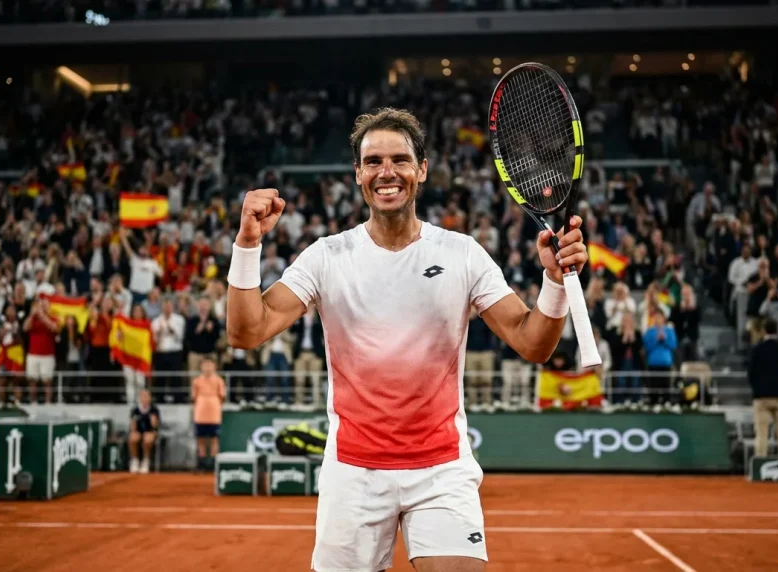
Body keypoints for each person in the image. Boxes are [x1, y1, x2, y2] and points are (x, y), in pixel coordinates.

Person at [226, 108, 589, 572]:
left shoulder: (462, 254)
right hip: (353, 472)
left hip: (441, 468)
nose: (386, 172)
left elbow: (532, 343)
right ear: (358, 174)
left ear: (421, 169)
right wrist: (247, 244)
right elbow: (246, 332)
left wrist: (555, 282)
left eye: (399, 159)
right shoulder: (326, 256)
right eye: (373, 161)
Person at [747, 318, 778, 458]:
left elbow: (751, 374)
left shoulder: (757, 349)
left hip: (762, 397)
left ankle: (760, 467)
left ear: (764, 330)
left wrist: (757, 389)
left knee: (761, 434)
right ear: (777, 330)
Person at [191, 358, 226, 472]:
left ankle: (213, 463)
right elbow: (194, 397)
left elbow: (222, 396)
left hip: (214, 414)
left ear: (214, 367)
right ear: (201, 367)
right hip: (200, 414)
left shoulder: (219, 380)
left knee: (214, 439)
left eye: (209, 365)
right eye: (205, 365)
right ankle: (201, 463)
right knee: (200, 439)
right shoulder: (196, 381)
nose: (207, 368)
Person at [128, 389, 160, 474]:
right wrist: (133, 429)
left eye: (147, 396)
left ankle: (146, 461)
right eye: (143, 396)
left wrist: (154, 422)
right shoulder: (135, 410)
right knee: (133, 437)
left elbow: (155, 426)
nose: (145, 398)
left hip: (150, 431)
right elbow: (132, 425)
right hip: (138, 431)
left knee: (147, 439)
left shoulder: (154, 409)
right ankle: (135, 460)